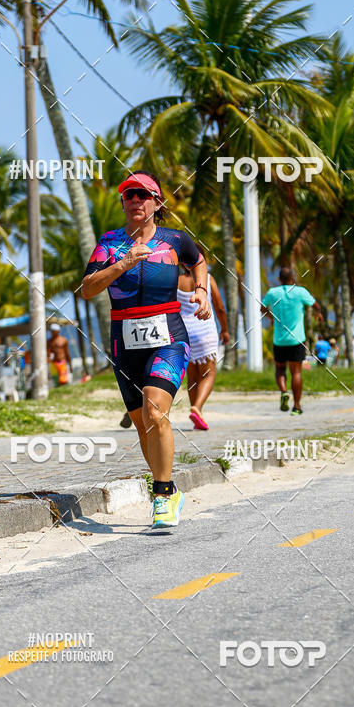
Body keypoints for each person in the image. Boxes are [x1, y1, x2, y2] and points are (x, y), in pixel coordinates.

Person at [81, 170, 211, 528]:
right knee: (143, 425)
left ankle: (164, 493)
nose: (135, 200)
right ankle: (164, 488)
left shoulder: (174, 240)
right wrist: (124, 263)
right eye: (128, 195)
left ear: (157, 203)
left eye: (142, 194)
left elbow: (198, 261)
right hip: (124, 342)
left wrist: (201, 290)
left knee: (156, 411)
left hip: (169, 335)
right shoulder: (108, 244)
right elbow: (88, 288)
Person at [261, 267, 323, 415]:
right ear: (293, 277)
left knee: (280, 368)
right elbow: (316, 305)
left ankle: (283, 392)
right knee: (296, 373)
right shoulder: (300, 292)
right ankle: (296, 406)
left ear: (279, 278)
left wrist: (271, 317)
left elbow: (262, 308)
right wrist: (318, 314)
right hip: (297, 340)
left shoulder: (272, 293)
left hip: (279, 340)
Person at [177, 254, 229, 430]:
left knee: (192, 377)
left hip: (185, 332)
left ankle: (197, 416)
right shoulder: (207, 278)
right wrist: (225, 329)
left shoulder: (176, 281)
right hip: (205, 330)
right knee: (208, 373)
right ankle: (197, 408)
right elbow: (220, 307)